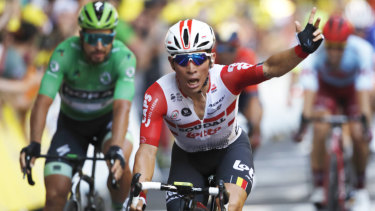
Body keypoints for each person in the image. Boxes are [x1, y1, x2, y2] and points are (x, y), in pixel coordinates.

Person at [130, 7, 323, 211]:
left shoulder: (227, 78)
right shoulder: (158, 94)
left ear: (211, 58)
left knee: (230, 205)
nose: (191, 68)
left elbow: (270, 68)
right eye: (181, 59)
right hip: (188, 159)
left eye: (197, 58)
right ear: (171, 63)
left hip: (230, 150)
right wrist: (139, 196)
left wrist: (301, 50)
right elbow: (147, 151)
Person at [19, 1, 136, 211]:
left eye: (106, 38)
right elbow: (42, 101)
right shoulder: (64, 53)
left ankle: (121, 207)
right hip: (71, 127)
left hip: (107, 123)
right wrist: (34, 144)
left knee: (120, 161)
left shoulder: (123, 57)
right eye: (92, 38)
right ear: (81, 35)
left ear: (114, 36)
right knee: (55, 194)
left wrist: (117, 149)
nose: (99, 46)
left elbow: (122, 107)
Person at [294, 15, 373, 210]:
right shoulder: (314, 50)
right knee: (320, 128)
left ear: (348, 42)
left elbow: (364, 94)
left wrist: (365, 125)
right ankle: (320, 185)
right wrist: (304, 123)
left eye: (340, 48)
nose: (335, 53)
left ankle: (360, 188)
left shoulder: (362, 50)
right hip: (326, 90)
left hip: (353, 91)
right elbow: (309, 95)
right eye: (331, 47)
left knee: (357, 134)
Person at [214, 21, 263, 151]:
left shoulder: (247, 56)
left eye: (230, 49)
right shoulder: (211, 57)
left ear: (237, 48)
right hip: (218, 94)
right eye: (221, 49)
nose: (225, 55)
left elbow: (253, 97)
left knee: (254, 128)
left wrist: (254, 126)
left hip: (243, 94)